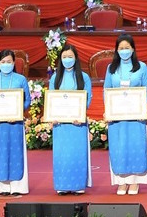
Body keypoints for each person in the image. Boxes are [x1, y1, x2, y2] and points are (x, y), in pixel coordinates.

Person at [103, 33, 147, 195]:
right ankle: (121, 182)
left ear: (133, 49)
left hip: (135, 117)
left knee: (135, 147)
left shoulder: (142, 67)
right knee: (119, 148)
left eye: (127, 48)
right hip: (117, 117)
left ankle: (135, 182)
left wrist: (141, 108)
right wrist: (109, 110)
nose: (124, 51)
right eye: (121, 48)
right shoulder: (111, 68)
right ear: (117, 50)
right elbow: (106, 90)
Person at [0, 49, 32, 195]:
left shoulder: (20, 79)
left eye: (9, 62)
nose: (6, 64)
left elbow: (27, 100)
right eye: (3, 62)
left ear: (14, 63)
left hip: (15, 124)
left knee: (15, 152)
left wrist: (18, 111)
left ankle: (17, 187)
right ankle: (1, 187)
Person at [49, 44, 93, 194]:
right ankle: (62, 186)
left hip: (77, 124)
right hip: (60, 125)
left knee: (77, 154)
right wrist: (53, 116)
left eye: (70, 57)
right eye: (64, 57)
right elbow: (51, 99)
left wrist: (80, 115)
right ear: (60, 59)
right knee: (61, 155)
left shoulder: (84, 77)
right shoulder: (55, 77)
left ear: (76, 58)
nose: (67, 60)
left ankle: (78, 185)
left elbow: (88, 98)